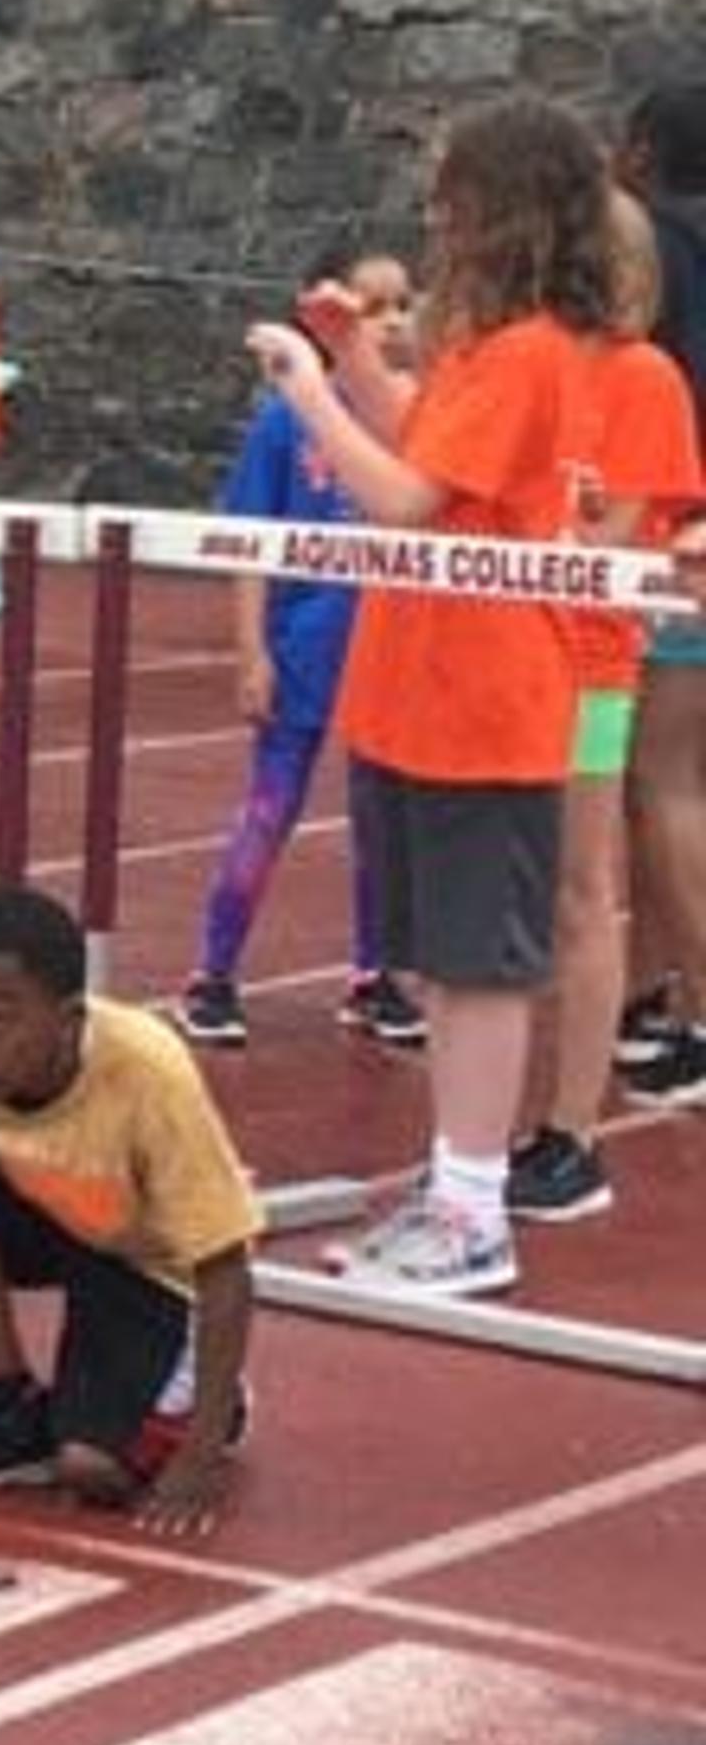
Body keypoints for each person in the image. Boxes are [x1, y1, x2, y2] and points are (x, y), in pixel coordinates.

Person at [239, 95, 621, 1297]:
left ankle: (472, 1207)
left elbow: (407, 502)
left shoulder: (532, 353)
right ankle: (456, 1186)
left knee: (477, 964)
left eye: (453, 200)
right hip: (418, 683)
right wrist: (355, 362)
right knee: (436, 962)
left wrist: (305, 393)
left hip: (484, 694)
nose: (436, 223)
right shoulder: (482, 348)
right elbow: (434, 455)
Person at [0, 884, 259, 1536]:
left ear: (66, 1021)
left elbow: (227, 1266)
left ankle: (214, 1404)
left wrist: (198, 1457)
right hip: (50, 1225)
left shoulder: (148, 1073)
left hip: (143, 1270)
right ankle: (6, 1403)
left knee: (90, 1472)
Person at [171, 246, 421, 1053]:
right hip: (304, 647)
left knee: (385, 824)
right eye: (371, 306)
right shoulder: (288, 418)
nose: (390, 322)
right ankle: (213, 973)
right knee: (269, 812)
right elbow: (252, 540)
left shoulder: (422, 422)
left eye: (401, 305)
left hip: (390, 652)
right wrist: (253, 652)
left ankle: (375, 973)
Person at [511, 190, 704, 1222]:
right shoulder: (516, 358)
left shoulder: (643, 377)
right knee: (518, 893)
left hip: (588, 668)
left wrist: (574, 535)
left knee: (582, 889)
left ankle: (572, 1132)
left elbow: (624, 535)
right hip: (499, 661)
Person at [611, 84, 706, 1093]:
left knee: (665, 781)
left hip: (674, 537)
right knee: (658, 786)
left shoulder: (651, 249)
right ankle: (646, 995)